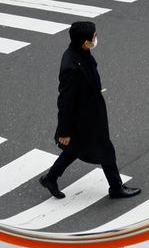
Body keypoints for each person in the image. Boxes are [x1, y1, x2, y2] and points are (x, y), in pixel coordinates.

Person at [39, 21, 141, 200]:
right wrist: (64, 131)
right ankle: (116, 188)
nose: (95, 39)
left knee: (76, 148)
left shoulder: (81, 52)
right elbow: (65, 101)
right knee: (105, 149)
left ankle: (51, 177)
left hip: (91, 114)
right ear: (85, 42)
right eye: (93, 37)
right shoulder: (71, 66)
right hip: (85, 119)